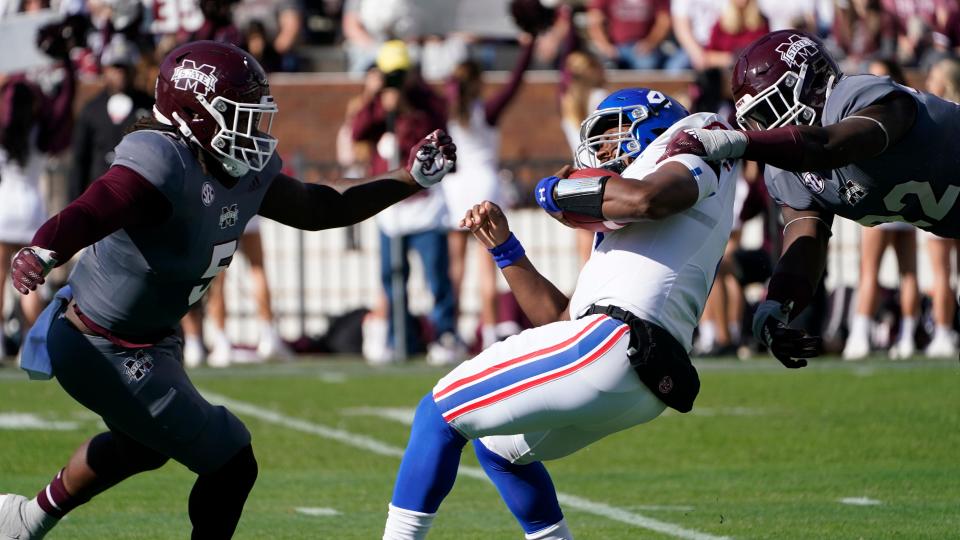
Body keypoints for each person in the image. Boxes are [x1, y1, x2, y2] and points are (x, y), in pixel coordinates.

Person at [0, 40, 456, 539]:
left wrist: (408, 178)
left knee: (143, 446)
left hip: (152, 339)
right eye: (241, 116)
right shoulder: (162, 158)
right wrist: (45, 247)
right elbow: (99, 203)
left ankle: (26, 519)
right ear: (197, 116)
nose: (256, 131)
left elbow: (321, 206)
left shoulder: (238, 167)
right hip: (97, 343)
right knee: (231, 459)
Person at [381, 87, 740, 540]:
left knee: (438, 413)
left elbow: (646, 199)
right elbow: (561, 321)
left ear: (653, 127)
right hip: (640, 376)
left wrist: (554, 192)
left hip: (614, 344)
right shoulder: (636, 233)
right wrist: (506, 249)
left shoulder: (690, 140)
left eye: (615, 132)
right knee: (499, 451)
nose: (604, 148)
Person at [661, 29, 960, 367]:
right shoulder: (788, 168)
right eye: (757, 120)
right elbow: (806, 240)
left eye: (772, 108)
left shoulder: (859, 96)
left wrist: (740, 142)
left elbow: (830, 145)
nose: (767, 127)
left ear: (808, 83)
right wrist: (777, 304)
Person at [352, 40, 461, 365]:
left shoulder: (427, 103)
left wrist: (410, 100)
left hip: (424, 207)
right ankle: (399, 336)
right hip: (390, 210)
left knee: (436, 278)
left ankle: (445, 335)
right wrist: (375, 99)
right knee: (392, 278)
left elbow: (439, 126)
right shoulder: (378, 104)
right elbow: (358, 131)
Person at [442, 34, 534, 351]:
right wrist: (528, 46)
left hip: (455, 187)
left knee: (455, 266)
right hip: (483, 184)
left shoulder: (449, 112)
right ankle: (490, 331)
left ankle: (449, 331)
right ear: (479, 83)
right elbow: (515, 82)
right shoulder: (487, 110)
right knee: (488, 261)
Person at [0, 49, 75, 359]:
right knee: (28, 281)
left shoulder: (4, 133)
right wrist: (67, 69)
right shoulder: (43, 133)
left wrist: (7, 81)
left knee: (1, 277)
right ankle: (34, 348)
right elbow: (62, 106)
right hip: (33, 208)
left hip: (4, 208)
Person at [843, 58, 920, 360]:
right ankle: (908, 337)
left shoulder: (878, 112)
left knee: (871, 270)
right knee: (907, 272)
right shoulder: (911, 107)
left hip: (883, 199)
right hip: (908, 198)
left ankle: (860, 335)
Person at [920, 55, 960, 357]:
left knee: (940, 272)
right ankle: (945, 333)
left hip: (941, 198)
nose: (927, 84)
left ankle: (944, 332)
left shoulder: (935, 115)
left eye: (933, 79)